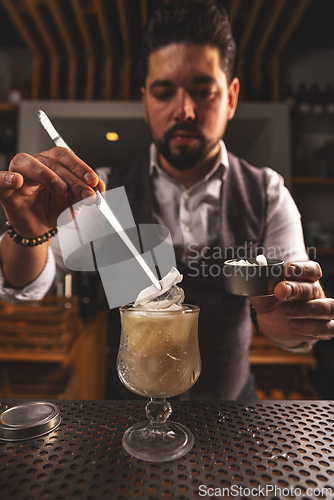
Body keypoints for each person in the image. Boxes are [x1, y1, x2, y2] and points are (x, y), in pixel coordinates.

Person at [0, 0, 333, 400]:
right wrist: (29, 234)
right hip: (128, 418)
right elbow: (29, 286)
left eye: (202, 90)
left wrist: (289, 324)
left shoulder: (267, 194)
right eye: (163, 92)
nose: (184, 110)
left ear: (230, 97)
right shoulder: (105, 193)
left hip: (228, 423)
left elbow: (288, 323)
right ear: (145, 102)